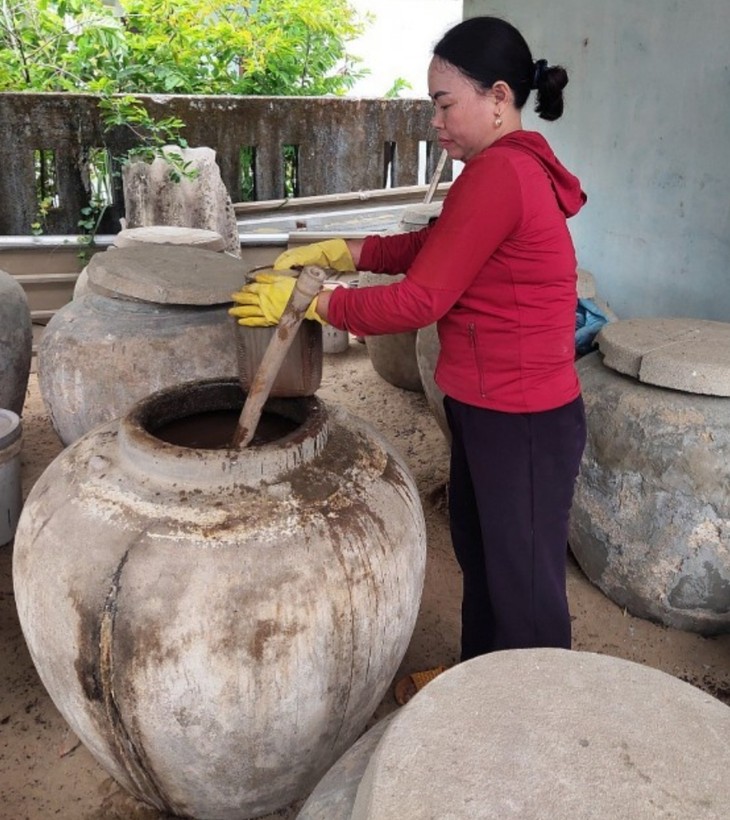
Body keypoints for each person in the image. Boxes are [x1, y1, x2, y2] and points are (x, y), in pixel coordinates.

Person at [230, 16, 588, 703]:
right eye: (433, 105)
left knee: (528, 592)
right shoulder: (496, 171)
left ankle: (539, 728)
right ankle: (478, 690)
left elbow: (419, 300)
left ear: (499, 97)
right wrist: (347, 252)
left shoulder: (504, 176)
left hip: (526, 420)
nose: (436, 122)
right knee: (485, 562)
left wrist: (319, 303)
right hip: (492, 410)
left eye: (445, 104)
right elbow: (435, 247)